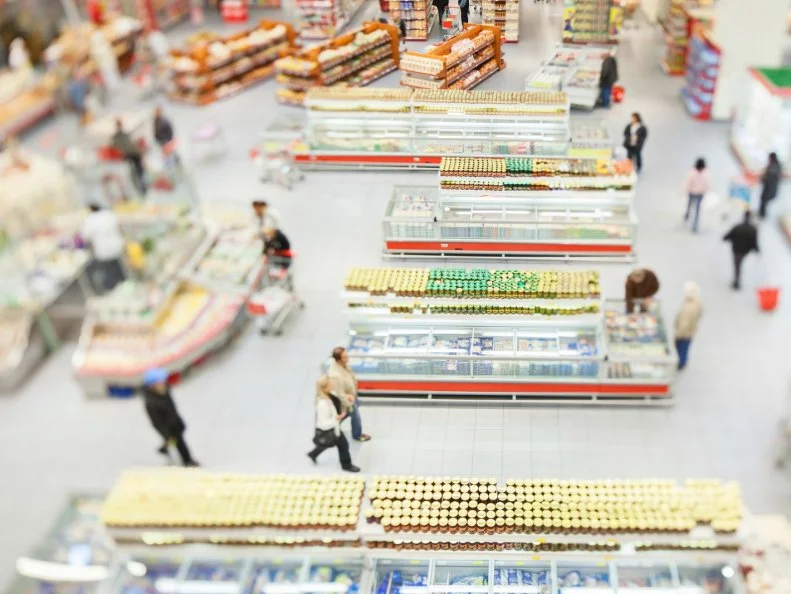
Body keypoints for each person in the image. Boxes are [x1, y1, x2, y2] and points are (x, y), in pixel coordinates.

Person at [142, 368, 199, 467]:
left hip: (175, 423)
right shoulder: (151, 402)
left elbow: (172, 408)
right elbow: (156, 422)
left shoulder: (164, 392)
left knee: (177, 442)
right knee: (179, 443)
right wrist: (166, 434)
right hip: (168, 429)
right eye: (160, 382)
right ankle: (187, 461)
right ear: (152, 384)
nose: (163, 383)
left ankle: (166, 448)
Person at [307, 375, 360, 472]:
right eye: (330, 383)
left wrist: (347, 397)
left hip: (335, 425)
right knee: (343, 445)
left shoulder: (330, 393)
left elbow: (338, 398)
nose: (333, 383)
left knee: (327, 444)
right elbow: (322, 423)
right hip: (331, 428)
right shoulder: (322, 404)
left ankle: (313, 454)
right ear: (325, 387)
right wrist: (336, 419)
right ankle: (346, 465)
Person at [80, 203, 127, 293]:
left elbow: (85, 237)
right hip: (117, 247)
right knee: (119, 268)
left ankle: (114, 290)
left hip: (103, 251)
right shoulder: (109, 214)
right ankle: (124, 285)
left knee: (109, 273)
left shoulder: (90, 220)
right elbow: (119, 228)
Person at [328, 346, 371, 442]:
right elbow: (340, 394)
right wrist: (350, 405)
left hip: (352, 395)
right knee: (356, 417)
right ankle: (357, 435)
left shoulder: (344, 365)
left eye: (347, 356)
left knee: (345, 414)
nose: (347, 359)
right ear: (338, 360)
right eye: (345, 357)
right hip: (347, 400)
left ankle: (333, 426)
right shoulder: (335, 375)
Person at [723, 210, 759, 290]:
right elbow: (754, 242)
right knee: (738, 264)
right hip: (745, 251)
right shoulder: (753, 229)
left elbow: (728, 236)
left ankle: (736, 281)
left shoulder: (738, 227)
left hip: (736, 249)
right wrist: (757, 250)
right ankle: (737, 280)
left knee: (737, 264)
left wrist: (726, 238)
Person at [112, 118, 147, 194]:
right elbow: (130, 145)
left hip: (130, 155)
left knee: (138, 172)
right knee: (138, 172)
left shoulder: (119, 135)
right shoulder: (122, 135)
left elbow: (116, 146)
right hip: (131, 154)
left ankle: (141, 187)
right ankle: (141, 187)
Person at [673, 282, 702, 371]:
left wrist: (677, 335)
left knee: (681, 348)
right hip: (691, 331)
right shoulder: (698, 303)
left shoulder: (687, 309)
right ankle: (683, 361)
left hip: (684, 333)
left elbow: (683, 325)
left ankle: (681, 363)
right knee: (685, 348)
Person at [683, 158, 710, 233]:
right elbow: (707, 183)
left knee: (690, 204)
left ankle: (688, 213)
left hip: (693, 192)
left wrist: (685, 190)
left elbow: (688, 182)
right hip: (699, 193)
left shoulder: (692, 172)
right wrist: (707, 191)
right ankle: (695, 226)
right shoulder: (705, 173)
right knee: (697, 209)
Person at [759, 152, 782, 220]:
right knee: (764, 201)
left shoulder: (773, 167)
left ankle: (762, 215)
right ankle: (762, 214)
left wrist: (763, 178)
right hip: (771, 188)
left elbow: (769, 177)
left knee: (764, 201)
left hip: (769, 188)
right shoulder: (776, 166)